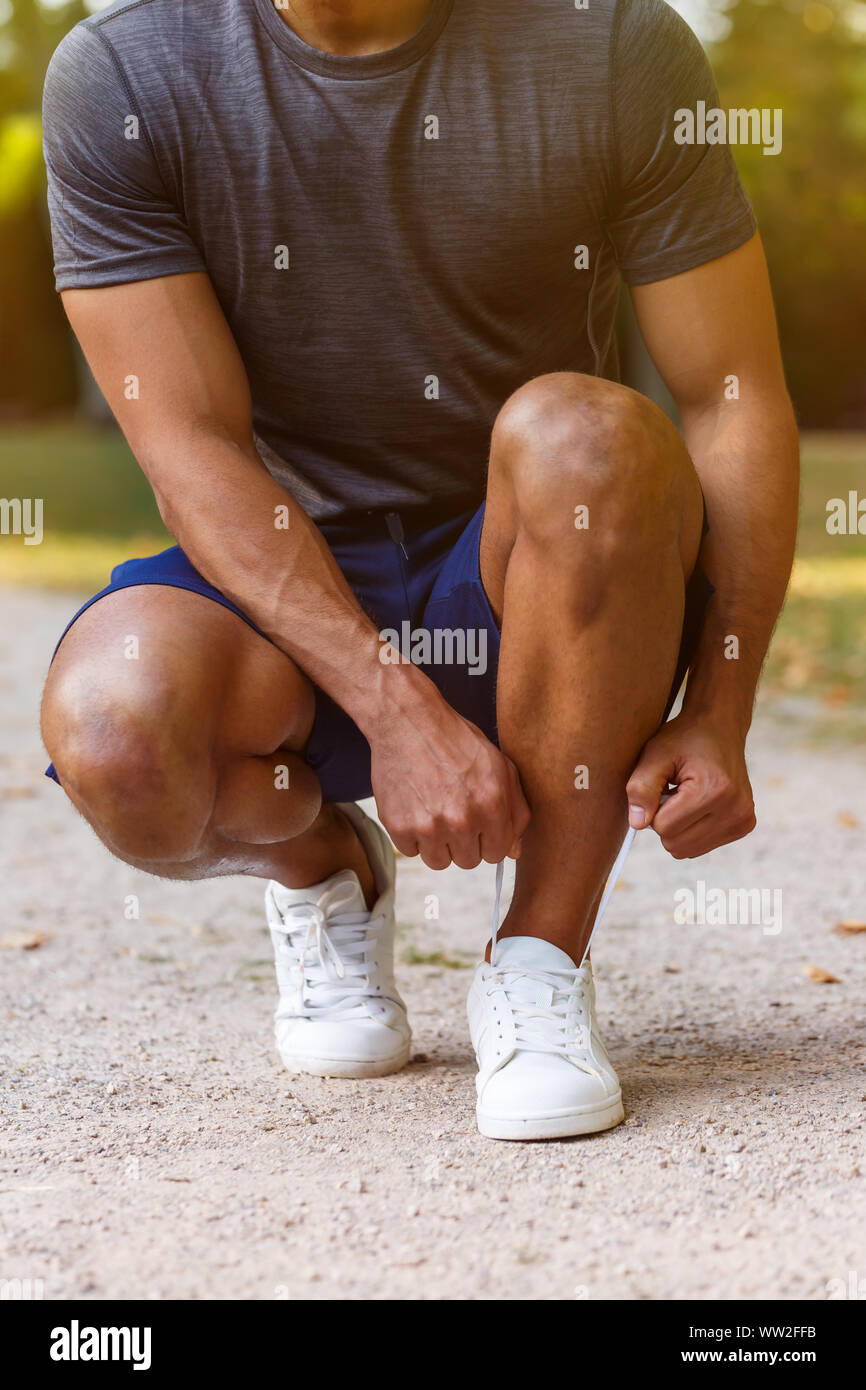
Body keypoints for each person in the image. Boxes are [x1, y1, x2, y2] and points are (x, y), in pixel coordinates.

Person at [40, 0, 798, 1140]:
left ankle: (537, 959)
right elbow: (186, 444)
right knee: (118, 742)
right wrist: (393, 707)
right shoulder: (122, 72)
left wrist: (723, 702)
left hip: (523, 569)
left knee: (588, 436)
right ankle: (327, 861)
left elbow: (730, 392)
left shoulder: (609, 46)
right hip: (276, 586)